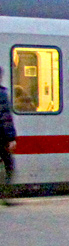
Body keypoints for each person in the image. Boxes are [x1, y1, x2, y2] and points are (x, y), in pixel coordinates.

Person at [0, 70, 14, 205]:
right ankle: (5, 195)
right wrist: (11, 138)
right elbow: (5, 118)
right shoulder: (1, 94)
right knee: (9, 165)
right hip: (1, 138)